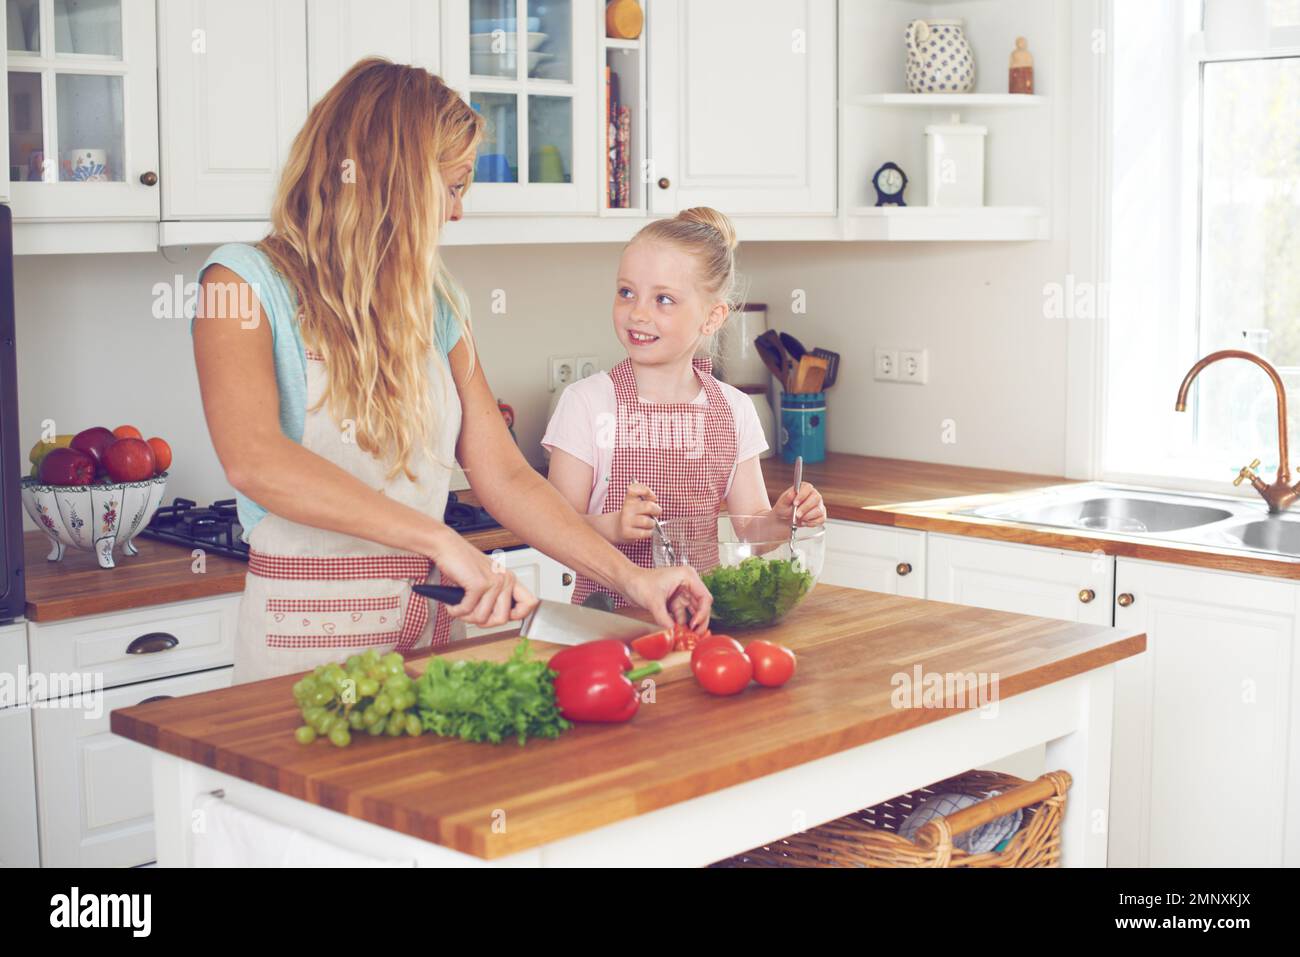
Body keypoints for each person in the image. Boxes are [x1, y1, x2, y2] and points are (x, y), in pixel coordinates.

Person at [191, 59, 711, 683]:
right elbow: (256, 459)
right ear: (394, 179)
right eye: (455, 185)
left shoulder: (438, 305)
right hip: (302, 649)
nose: (458, 212)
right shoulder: (242, 284)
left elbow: (507, 477)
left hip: (432, 637)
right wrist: (439, 542)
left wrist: (634, 578)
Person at [542, 207, 826, 609]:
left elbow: (751, 530)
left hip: (702, 619)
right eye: (627, 292)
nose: (638, 312)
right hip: (608, 623)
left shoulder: (733, 410)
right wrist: (614, 526)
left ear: (712, 318)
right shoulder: (586, 404)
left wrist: (783, 518)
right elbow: (554, 529)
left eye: (663, 299)